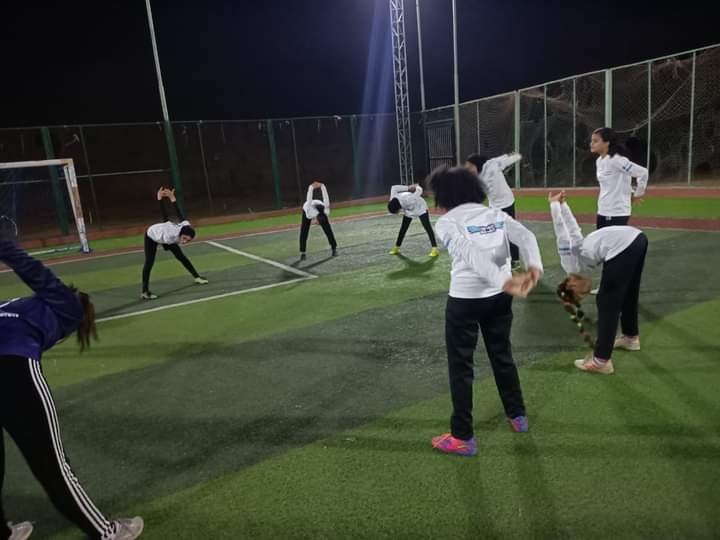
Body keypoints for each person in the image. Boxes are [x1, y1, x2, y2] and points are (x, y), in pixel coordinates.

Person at [0, 239, 144, 540]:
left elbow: (34, 273)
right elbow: (32, 270)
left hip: (10, 362)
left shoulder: (48, 305)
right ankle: (107, 534)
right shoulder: (56, 307)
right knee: (54, 468)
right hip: (11, 367)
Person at [428, 167, 543, 457]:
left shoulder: (447, 222)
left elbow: (467, 252)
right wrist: (534, 269)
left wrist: (504, 281)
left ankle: (462, 436)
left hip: (465, 300)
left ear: (443, 195)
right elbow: (526, 236)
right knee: (502, 354)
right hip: (499, 299)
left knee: (461, 367)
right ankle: (517, 415)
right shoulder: (494, 213)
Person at [549, 191, 648, 375]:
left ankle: (601, 361)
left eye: (579, 295)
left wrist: (555, 205)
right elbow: (573, 228)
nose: (583, 294)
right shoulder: (580, 250)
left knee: (606, 301)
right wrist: (564, 205)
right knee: (628, 293)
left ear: (571, 286)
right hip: (637, 239)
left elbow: (561, 231)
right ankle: (630, 338)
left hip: (624, 245)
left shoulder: (570, 264)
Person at [141, 188, 208, 300]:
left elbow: (179, 214)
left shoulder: (185, 227)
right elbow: (165, 217)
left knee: (182, 257)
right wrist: (159, 199)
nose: (185, 242)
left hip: (165, 235)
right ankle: (144, 291)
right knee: (149, 262)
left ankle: (197, 277)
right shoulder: (170, 235)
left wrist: (172, 198)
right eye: (185, 238)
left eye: (188, 240)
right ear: (181, 234)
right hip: (152, 235)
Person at [466, 152, 522, 270]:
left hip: (507, 202)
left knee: (509, 232)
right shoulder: (475, 179)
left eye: (470, 166)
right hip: (494, 207)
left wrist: (515, 156)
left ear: (477, 164)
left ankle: (515, 260)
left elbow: (504, 160)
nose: (468, 169)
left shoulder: (492, 165)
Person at [591, 127, 649, 230]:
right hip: (602, 211)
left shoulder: (617, 160)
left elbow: (643, 173)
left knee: (613, 240)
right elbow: (617, 181)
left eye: (595, 141)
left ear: (607, 143)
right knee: (601, 240)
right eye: (592, 141)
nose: (591, 144)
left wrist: (638, 194)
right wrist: (630, 191)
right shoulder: (599, 161)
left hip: (617, 213)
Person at [387, 183, 439, 258]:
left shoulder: (409, 199)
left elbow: (419, 191)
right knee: (403, 229)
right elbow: (394, 187)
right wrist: (407, 188)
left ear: (398, 208)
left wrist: (416, 187)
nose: (397, 213)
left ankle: (435, 249)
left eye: (396, 212)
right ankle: (397, 248)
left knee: (427, 226)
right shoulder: (392, 199)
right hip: (409, 210)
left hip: (420, 207)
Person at [299, 181, 337, 261]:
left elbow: (326, 199)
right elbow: (309, 199)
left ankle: (334, 248)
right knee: (304, 231)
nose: (316, 224)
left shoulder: (326, 212)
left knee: (328, 230)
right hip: (307, 206)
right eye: (317, 223)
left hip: (318, 205)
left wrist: (323, 186)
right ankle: (302, 252)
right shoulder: (309, 213)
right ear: (316, 218)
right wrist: (311, 187)